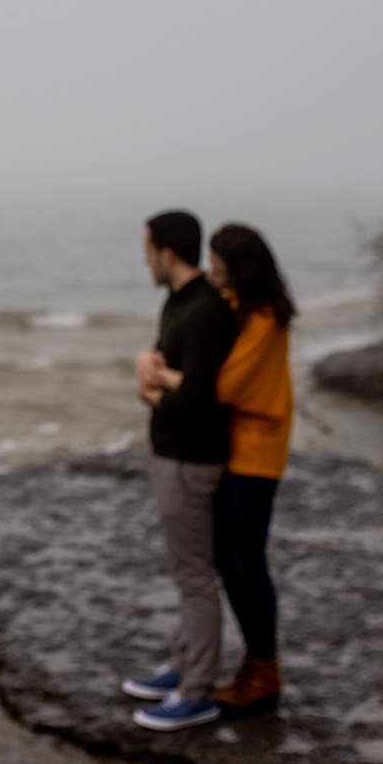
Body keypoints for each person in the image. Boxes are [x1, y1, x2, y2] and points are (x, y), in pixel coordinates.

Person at [120, 210, 239, 730]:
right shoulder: (181, 302)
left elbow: (199, 399)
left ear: (168, 253)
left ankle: (198, 691)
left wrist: (152, 391)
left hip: (191, 460)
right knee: (186, 571)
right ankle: (184, 665)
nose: (144, 260)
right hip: (174, 455)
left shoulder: (205, 311)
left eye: (147, 250)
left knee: (195, 577)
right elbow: (175, 369)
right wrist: (153, 372)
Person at [205, 223, 295, 712]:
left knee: (246, 564)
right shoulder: (240, 307)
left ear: (239, 265)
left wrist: (174, 379)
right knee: (232, 562)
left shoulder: (264, 317)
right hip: (237, 449)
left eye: (218, 262)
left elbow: (227, 386)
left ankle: (264, 669)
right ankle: (257, 664)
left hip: (256, 453)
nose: (211, 269)